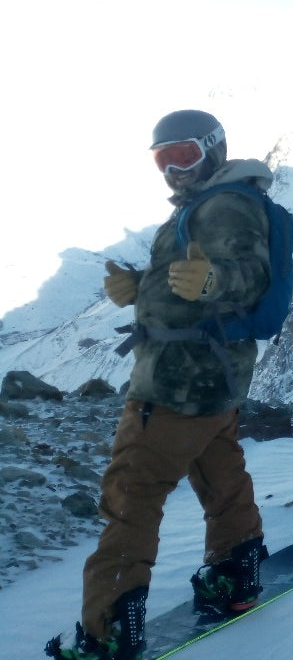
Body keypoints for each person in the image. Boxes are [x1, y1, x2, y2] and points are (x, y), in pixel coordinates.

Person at [47, 110, 276, 660]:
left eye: (184, 156)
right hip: (214, 381)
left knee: (130, 495)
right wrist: (141, 288)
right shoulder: (214, 202)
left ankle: (109, 632)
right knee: (220, 470)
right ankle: (236, 572)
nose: (173, 170)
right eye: (162, 159)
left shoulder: (226, 205)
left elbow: (250, 273)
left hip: (175, 384)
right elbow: (188, 282)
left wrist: (216, 279)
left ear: (214, 149)